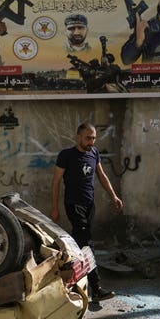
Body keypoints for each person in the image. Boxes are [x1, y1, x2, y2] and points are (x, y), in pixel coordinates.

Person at [50, 123, 124, 303]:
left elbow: (102, 175)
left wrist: (113, 196)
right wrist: (54, 207)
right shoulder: (66, 155)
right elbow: (56, 182)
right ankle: (96, 288)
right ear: (78, 137)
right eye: (88, 138)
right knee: (86, 244)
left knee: (78, 245)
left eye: (93, 138)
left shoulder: (94, 153)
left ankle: (70, 283)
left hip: (90, 205)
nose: (91, 141)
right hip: (74, 205)